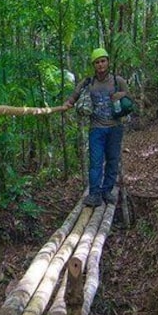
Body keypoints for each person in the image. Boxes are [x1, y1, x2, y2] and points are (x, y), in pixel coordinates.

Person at [62, 48, 133, 207]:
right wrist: (67, 104)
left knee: (113, 160)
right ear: (93, 65)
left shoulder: (117, 80)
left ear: (108, 62)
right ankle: (94, 194)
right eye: (97, 62)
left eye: (103, 61)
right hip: (96, 128)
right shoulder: (89, 82)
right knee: (95, 162)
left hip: (115, 127)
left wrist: (119, 95)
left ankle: (107, 191)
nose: (100, 65)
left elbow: (129, 96)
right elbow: (75, 95)